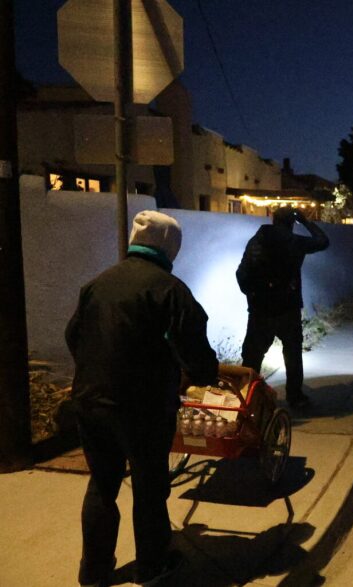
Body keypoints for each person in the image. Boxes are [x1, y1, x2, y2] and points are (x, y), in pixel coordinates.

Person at [66, 211, 219, 587]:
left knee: (103, 483)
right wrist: (201, 376)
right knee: (150, 487)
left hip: (91, 401)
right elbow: (197, 354)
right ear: (170, 247)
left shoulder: (97, 284)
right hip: (144, 409)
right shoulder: (169, 290)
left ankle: (94, 572)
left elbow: (74, 337)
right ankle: (152, 567)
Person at [236, 206, 329, 408]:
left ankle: (246, 398)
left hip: (260, 310)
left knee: (252, 356)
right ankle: (294, 397)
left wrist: (254, 295)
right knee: (293, 354)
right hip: (288, 308)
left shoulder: (256, 241)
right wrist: (305, 221)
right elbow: (323, 241)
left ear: (273, 219)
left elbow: (241, 274)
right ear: (291, 222)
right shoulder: (295, 242)